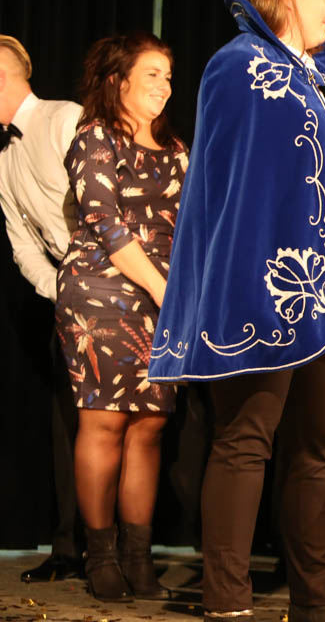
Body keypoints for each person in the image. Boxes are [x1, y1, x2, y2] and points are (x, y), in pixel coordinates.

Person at [149, 0, 325, 622]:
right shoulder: (239, 67)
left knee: (318, 450)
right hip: (262, 291)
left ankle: (316, 603)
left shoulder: (318, 78)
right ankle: (228, 602)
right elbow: (232, 195)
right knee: (244, 442)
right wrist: (247, 284)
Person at [53, 32, 187, 601]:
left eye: (168, 76)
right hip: (102, 293)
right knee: (105, 421)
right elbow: (106, 224)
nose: (164, 85)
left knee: (150, 425)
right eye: (152, 74)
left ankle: (138, 556)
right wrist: (161, 287)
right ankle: (101, 555)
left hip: (165, 298)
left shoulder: (176, 147)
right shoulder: (95, 138)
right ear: (117, 80)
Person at [0, 34, 85, 583]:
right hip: (66, 296)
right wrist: (62, 290)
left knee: (122, 424)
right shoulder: (5, 157)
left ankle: (121, 550)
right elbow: (23, 245)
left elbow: (104, 204)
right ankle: (69, 547)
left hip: (117, 289)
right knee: (66, 423)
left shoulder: (63, 118)